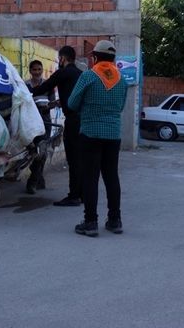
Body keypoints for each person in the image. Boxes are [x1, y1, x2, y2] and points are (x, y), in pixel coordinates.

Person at [67, 40, 128, 236]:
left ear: (94, 57)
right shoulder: (122, 80)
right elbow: (120, 107)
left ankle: (91, 222)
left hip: (90, 134)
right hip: (113, 135)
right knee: (111, 177)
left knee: (90, 177)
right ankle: (115, 220)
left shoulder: (88, 76)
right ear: (114, 59)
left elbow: (72, 103)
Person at [32, 46, 83, 206]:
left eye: (59, 59)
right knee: (80, 159)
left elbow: (43, 88)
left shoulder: (63, 73)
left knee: (73, 159)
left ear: (62, 58)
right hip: (83, 121)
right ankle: (80, 193)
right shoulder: (81, 74)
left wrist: (23, 91)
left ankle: (74, 195)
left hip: (73, 121)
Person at [25, 59, 55, 194]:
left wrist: (49, 106)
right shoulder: (25, 85)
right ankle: (36, 180)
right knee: (35, 152)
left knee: (42, 152)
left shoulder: (48, 85)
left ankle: (34, 181)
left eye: (39, 69)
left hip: (46, 122)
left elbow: (53, 102)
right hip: (31, 122)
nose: (37, 72)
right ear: (30, 71)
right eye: (34, 70)